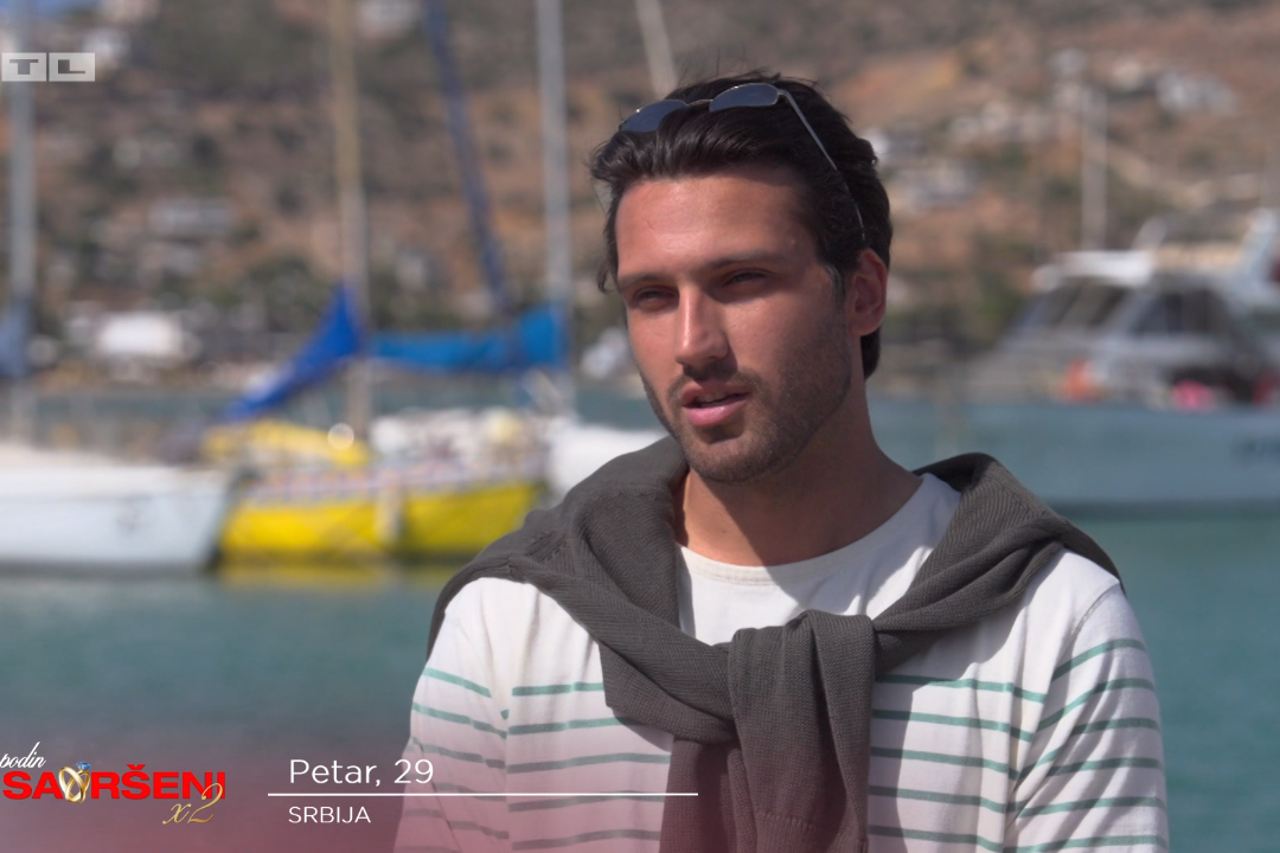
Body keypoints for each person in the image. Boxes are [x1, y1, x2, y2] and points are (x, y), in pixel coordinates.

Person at [394, 72, 1167, 853]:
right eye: (653, 296)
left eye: (741, 281)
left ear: (862, 295)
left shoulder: (1049, 624)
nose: (693, 342)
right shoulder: (507, 627)